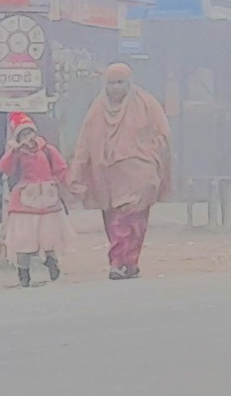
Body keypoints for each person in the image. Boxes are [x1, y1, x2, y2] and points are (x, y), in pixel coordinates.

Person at [73, 60, 175, 279]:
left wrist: (150, 157)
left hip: (139, 172)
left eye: (120, 82)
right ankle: (127, 262)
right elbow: (85, 143)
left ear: (129, 83)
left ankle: (121, 262)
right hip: (108, 176)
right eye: (111, 83)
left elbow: (163, 136)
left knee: (132, 219)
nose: (116, 88)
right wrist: (77, 171)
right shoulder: (97, 111)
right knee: (114, 219)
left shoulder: (147, 104)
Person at [0, 112, 69, 286]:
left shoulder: (47, 150)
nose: (28, 138)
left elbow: (61, 169)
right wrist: (13, 151)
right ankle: (23, 271)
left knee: (48, 236)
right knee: (24, 238)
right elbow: (4, 168)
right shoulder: (17, 154)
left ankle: (51, 261)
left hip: (47, 200)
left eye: (30, 133)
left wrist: (69, 185)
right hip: (24, 202)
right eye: (23, 135)